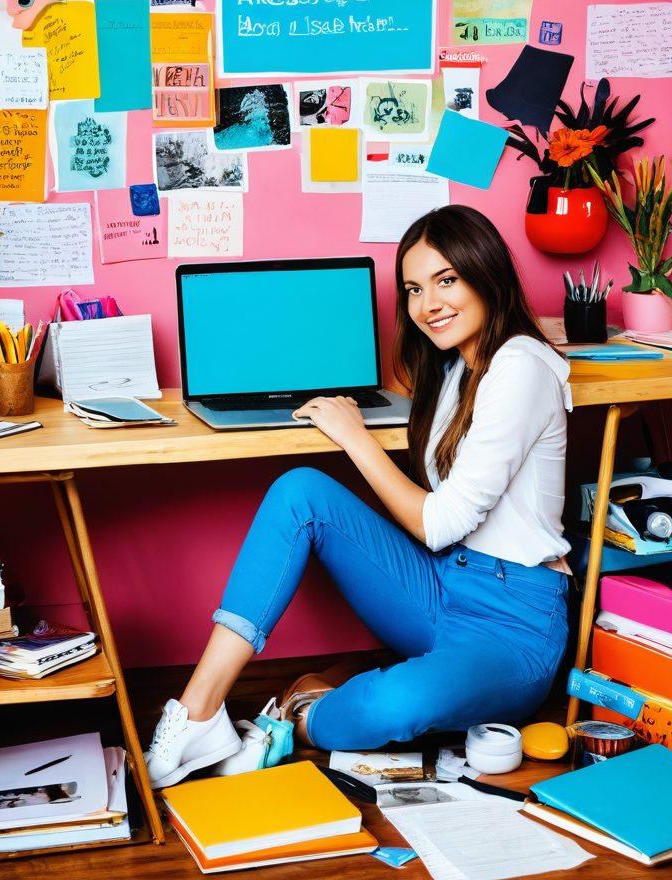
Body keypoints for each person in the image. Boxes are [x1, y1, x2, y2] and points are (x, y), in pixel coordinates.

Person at [144, 205, 572, 788]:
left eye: (447, 280)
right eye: (414, 289)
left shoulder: (521, 366)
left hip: (512, 622)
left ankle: (303, 712)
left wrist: (354, 436)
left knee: (392, 708)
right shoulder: (455, 369)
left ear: (486, 271)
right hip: (442, 584)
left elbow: (440, 522)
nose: (428, 306)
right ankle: (198, 713)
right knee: (300, 493)